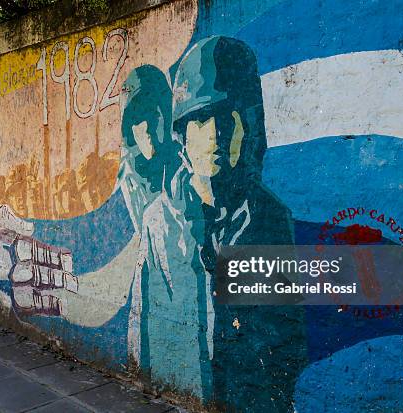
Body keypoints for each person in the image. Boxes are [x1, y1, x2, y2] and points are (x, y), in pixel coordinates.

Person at [172, 36, 308, 412]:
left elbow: (286, 343)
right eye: (200, 119)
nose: (215, 134)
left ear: (248, 125)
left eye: (228, 115)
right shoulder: (165, 222)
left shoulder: (269, 218)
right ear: (180, 135)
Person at [120, 65, 207, 398]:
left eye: (152, 116)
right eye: (136, 121)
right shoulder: (129, 178)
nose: (146, 132)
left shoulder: (185, 181)